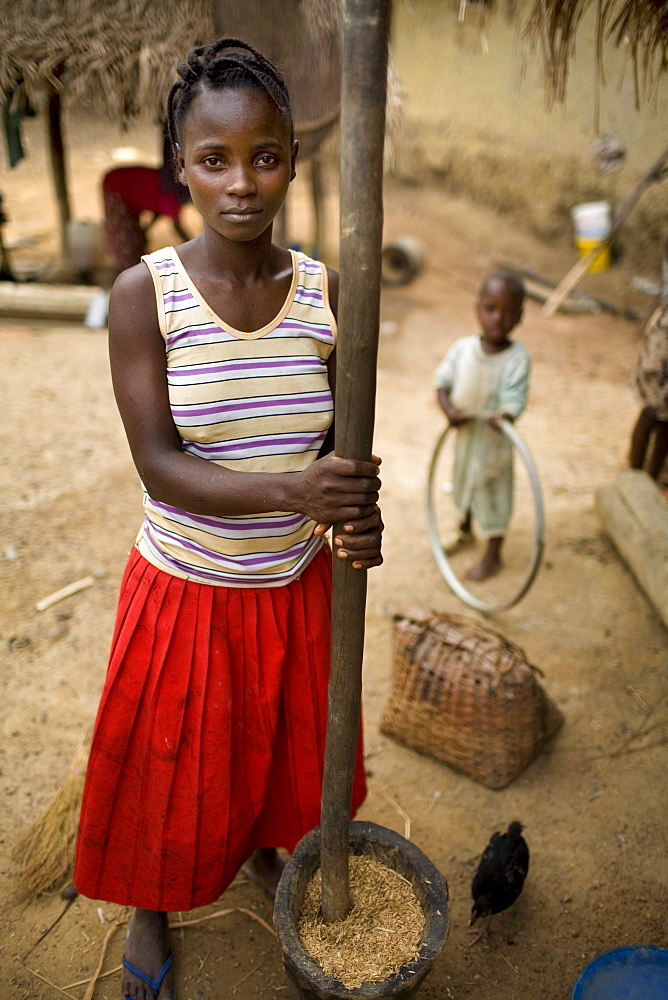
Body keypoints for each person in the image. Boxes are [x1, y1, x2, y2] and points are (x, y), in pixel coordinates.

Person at [74, 38, 383, 1000]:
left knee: (268, 752)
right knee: (165, 770)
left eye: (264, 156)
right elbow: (161, 469)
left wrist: (356, 516)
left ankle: (258, 850)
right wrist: (299, 492)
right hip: (187, 590)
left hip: (294, 585)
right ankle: (150, 909)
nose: (241, 183)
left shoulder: (328, 294)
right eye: (215, 160)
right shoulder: (145, 297)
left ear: (293, 156)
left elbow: (343, 444)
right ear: (181, 167)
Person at [435, 271, 529, 581]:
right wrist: (450, 410)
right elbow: (442, 384)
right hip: (465, 437)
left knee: (492, 494)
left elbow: (514, 397)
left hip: (494, 444)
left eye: (508, 311)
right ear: (477, 309)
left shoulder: (517, 359)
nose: (498, 318)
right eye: (490, 308)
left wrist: (503, 415)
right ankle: (464, 531)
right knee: (464, 485)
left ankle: (493, 555)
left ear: (520, 317)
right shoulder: (463, 350)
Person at [628, 236, 668, 484]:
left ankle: (651, 478)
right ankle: (634, 475)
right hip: (663, 338)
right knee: (651, 410)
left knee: (666, 420)